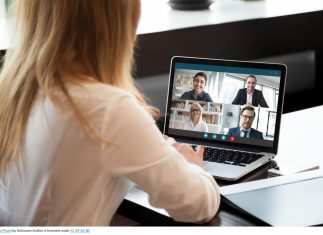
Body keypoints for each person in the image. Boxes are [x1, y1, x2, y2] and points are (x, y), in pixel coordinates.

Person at [0, 0, 220, 226]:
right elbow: (196, 205)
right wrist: (190, 167)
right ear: (121, 22)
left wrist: (149, 150)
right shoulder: (107, 109)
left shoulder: (12, 91)